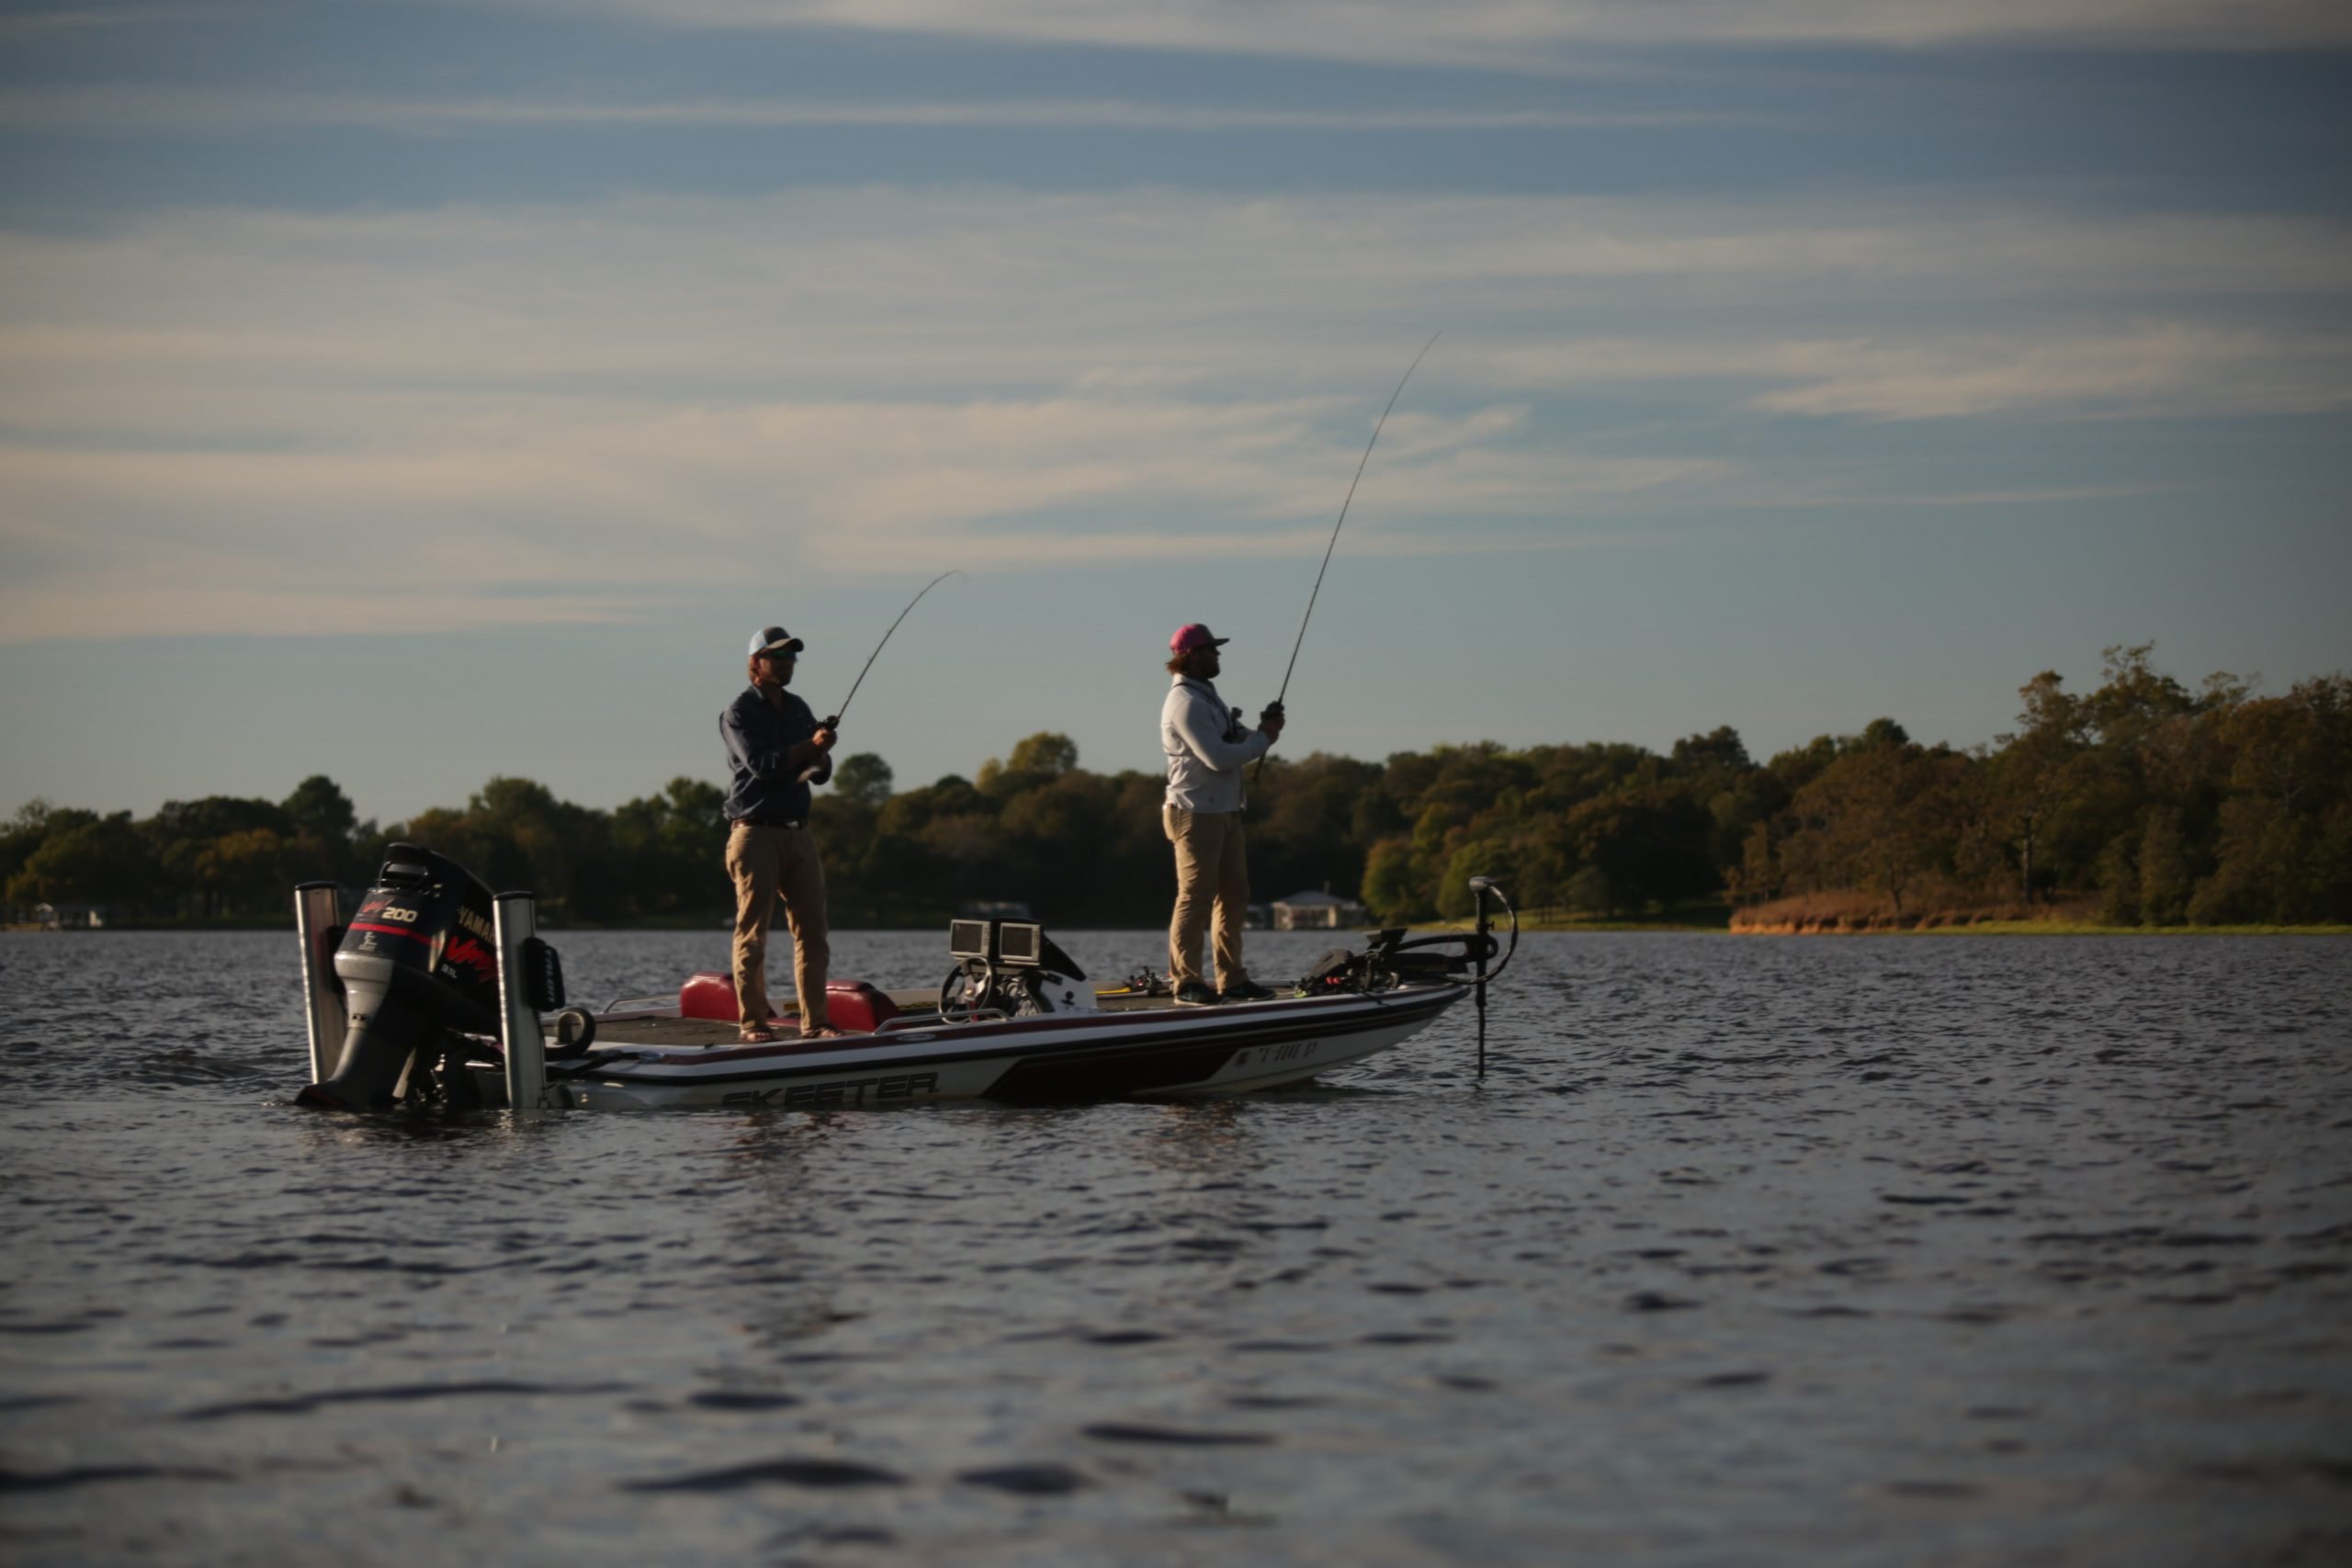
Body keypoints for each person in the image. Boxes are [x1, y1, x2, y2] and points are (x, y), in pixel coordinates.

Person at [722, 625, 842, 1043]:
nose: (788, 662)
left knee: (813, 934)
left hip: (799, 834)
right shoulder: (739, 713)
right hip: (755, 834)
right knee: (752, 934)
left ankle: (818, 1023)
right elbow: (762, 765)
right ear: (756, 664)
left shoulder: (798, 708)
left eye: (792, 656)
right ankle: (754, 1023)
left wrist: (822, 752)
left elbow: (817, 774)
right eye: (779, 656)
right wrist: (811, 747)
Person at [1160, 623, 1286, 1005]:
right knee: (1196, 896)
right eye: (1212, 650)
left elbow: (1235, 739)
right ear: (1191, 655)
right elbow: (1217, 758)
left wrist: (1263, 731)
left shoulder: (1207, 696)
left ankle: (1231, 979)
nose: (1218, 655)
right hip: (1194, 812)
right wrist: (1264, 739)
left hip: (1225, 810)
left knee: (1234, 895)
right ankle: (1186, 983)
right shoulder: (1185, 703)